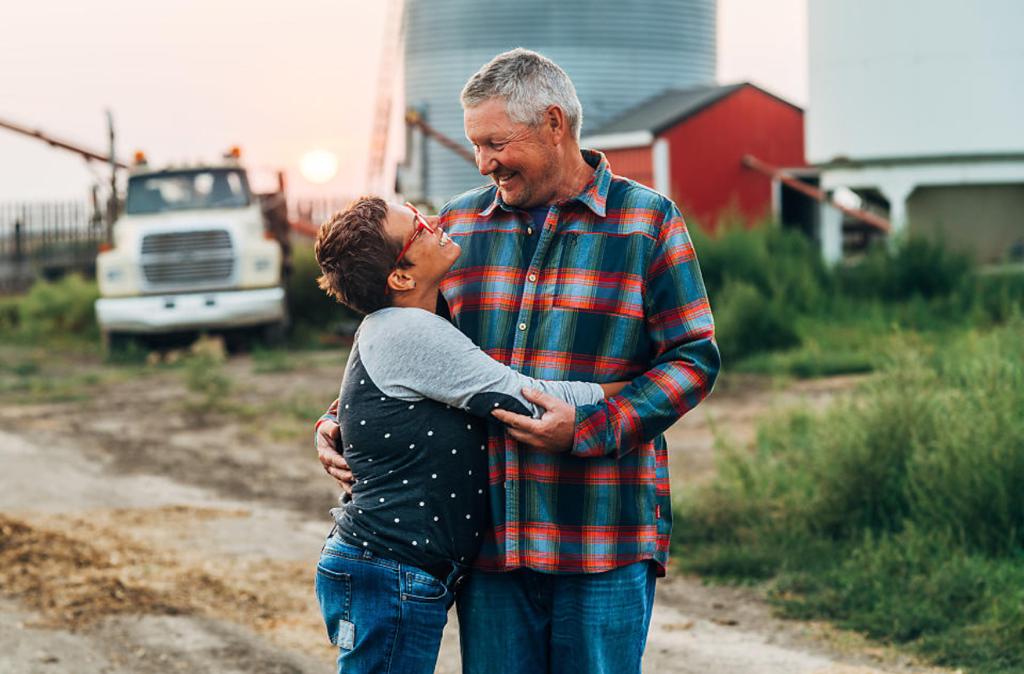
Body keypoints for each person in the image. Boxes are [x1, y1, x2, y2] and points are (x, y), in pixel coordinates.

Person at [316, 48, 720, 674]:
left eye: (496, 142)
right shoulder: (456, 230)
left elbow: (693, 358)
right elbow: (404, 351)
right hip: (493, 547)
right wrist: (341, 421)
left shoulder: (648, 224)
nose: (484, 162)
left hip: (602, 535)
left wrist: (590, 428)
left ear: (554, 124)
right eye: (476, 145)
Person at [312, 196, 626, 674]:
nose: (433, 221)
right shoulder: (409, 330)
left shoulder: (399, 326)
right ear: (400, 277)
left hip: (389, 566)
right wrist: (627, 391)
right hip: (390, 569)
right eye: (417, 226)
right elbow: (522, 396)